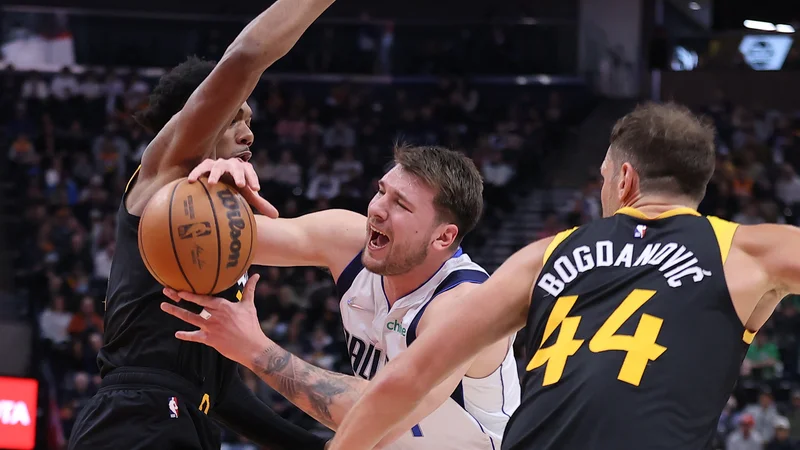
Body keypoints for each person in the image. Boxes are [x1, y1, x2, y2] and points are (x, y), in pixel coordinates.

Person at [325, 102, 800, 450]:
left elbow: (408, 375)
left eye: (603, 178)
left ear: (625, 179)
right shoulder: (746, 250)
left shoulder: (543, 255)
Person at [68, 1, 335, 449]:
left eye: (250, 122)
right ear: (194, 120)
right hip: (135, 415)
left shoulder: (215, 222)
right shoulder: (164, 169)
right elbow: (246, 58)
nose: (249, 134)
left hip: (184, 415)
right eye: (234, 119)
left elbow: (221, 392)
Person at [161, 144, 521, 449]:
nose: (377, 208)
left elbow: (381, 417)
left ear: (443, 238)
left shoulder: (464, 305)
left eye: (401, 205)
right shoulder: (348, 240)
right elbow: (213, 234)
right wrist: (207, 188)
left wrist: (255, 349)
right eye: (382, 191)